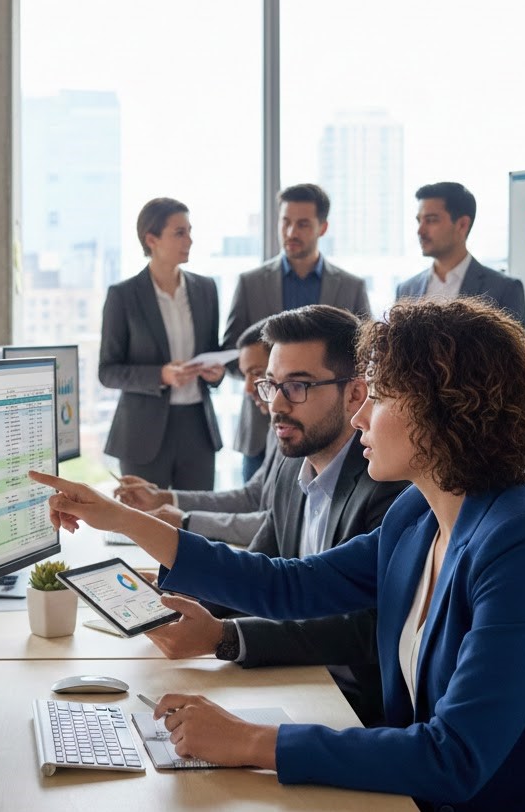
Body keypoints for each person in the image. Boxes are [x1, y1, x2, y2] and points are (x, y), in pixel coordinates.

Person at [32, 297, 525, 811]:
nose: (357, 416)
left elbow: (453, 757)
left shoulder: (522, 548)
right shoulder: (417, 514)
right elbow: (288, 586)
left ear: (439, 412)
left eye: (376, 396)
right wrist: (120, 518)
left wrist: (250, 742)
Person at [114, 304, 407, 727]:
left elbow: (360, 631)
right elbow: (262, 568)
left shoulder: (388, 486)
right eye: (272, 385)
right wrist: (173, 599)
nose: (276, 405)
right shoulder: (292, 465)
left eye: (298, 387)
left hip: (354, 708)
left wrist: (225, 638)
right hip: (298, 681)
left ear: (355, 394)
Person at [224, 183, 371, 482]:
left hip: (325, 427)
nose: (291, 232)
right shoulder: (250, 283)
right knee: (256, 509)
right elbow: (232, 354)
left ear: (323, 227)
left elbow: (365, 356)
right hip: (260, 427)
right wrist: (262, 382)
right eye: (285, 222)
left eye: (302, 224)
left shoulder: (350, 285)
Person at [98, 197, 225, 490]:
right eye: (179, 232)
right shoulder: (123, 295)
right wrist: (161, 375)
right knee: (145, 525)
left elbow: (213, 350)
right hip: (143, 433)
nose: (189, 240)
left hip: (197, 428)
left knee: (195, 523)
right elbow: (108, 371)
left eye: (190, 231)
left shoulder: (206, 289)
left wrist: (215, 372)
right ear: (151, 239)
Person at [114, 319, 275, 545]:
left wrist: (186, 521)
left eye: (257, 373)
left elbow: (277, 526)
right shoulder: (277, 428)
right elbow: (252, 498)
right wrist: (163, 498)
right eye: (245, 375)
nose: (248, 389)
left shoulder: (301, 434)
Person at [396, 181, 525, 327]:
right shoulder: (406, 289)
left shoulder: (504, 289)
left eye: (431, 220)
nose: (420, 231)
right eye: (419, 221)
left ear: (462, 225)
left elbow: (513, 349)